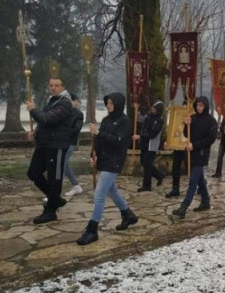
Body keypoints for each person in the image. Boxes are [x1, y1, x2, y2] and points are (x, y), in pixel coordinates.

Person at [77, 93, 137, 245]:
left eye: (111, 103)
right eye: (107, 103)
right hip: (103, 160)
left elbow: (119, 141)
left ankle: (92, 230)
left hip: (114, 161)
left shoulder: (125, 121)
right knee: (112, 191)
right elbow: (98, 141)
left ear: (118, 104)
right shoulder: (105, 120)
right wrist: (93, 155)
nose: (108, 105)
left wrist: (99, 132)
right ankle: (128, 214)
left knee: (99, 195)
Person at [27, 77, 74, 224]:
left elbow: (48, 119)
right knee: (33, 172)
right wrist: (36, 133)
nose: (53, 88)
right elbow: (44, 124)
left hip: (56, 146)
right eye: (51, 85)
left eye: (57, 85)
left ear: (63, 87)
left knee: (54, 178)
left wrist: (33, 110)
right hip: (44, 144)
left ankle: (51, 211)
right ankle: (56, 199)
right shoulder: (52, 100)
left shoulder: (65, 103)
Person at [172, 97, 218, 218]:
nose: (199, 107)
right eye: (197, 105)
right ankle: (206, 201)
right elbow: (187, 134)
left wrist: (195, 145)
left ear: (205, 106)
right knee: (200, 180)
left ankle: (184, 207)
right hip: (191, 153)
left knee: (193, 180)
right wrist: (186, 125)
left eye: (201, 105)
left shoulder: (211, 121)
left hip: (202, 153)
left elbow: (211, 139)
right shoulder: (192, 118)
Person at [134, 100, 165, 192]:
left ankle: (147, 185)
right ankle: (159, 175)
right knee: (143, 162)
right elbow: (139, 119)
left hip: (151, 145)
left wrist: (140, 136)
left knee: (147, 164)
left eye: (154, 108)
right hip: (144, 143)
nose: (152, 108)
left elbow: (152, 134)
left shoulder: (159, 120)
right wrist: (136, 109)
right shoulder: (148, 116)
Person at [64, 93, 84, 197]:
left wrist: (62, 133)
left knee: (62, 165)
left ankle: (53, 190)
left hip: (69, 142)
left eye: (76, 100)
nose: (76, 102)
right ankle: (76, 186)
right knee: (63, 165)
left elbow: (76, 129)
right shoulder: (62, 112)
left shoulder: (78, 114)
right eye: (73, 100)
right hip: (59, 143)